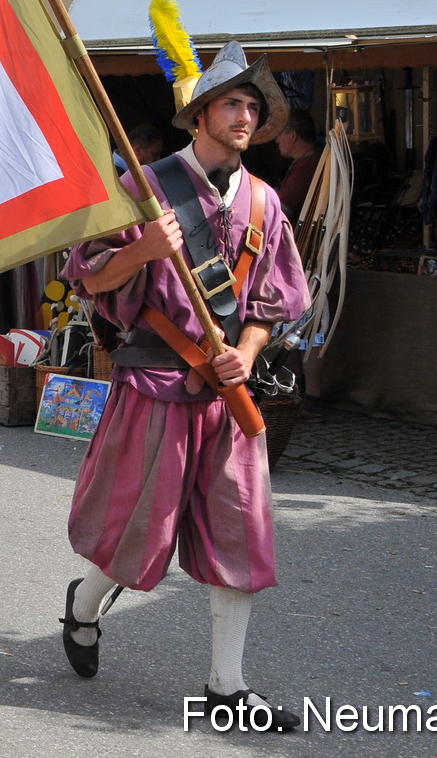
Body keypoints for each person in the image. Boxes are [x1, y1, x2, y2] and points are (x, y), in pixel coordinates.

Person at [57, 40, 309, 729]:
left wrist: (246, 355)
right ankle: (82, 607)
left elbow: (273, 303)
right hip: (155, 383)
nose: (245, 115)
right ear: (197, 115)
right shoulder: (144, 185)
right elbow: (86, 277)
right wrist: (143, 248)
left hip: (225, 395)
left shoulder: (263, 201)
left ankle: (227, 688)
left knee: (241, 534)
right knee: (137, 533)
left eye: (254, 107)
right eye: (232, 102)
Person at [275, 109, 320, 222]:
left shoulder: (306, 167)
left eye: (280, 134)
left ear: (293, 135)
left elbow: (281, 211)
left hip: (297, 237)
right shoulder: (312, 160)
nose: (277, 140)